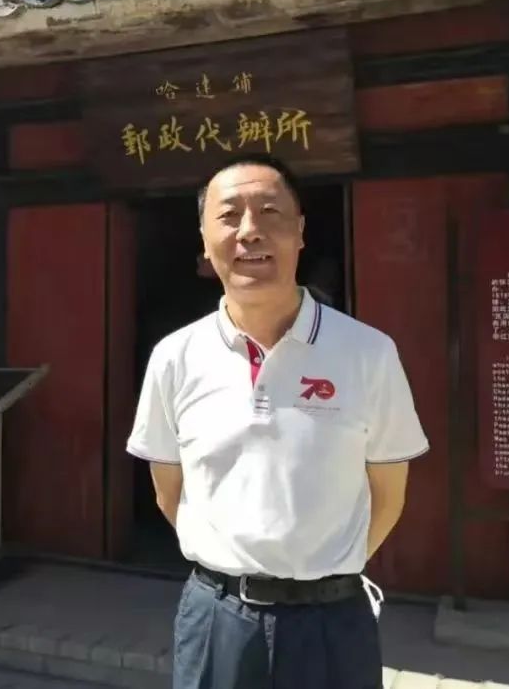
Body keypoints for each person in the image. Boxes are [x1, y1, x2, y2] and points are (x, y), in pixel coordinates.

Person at [126, 154, 428, 689]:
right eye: (229, 216)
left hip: (332, 622)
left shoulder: (368, 352)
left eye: (269, 212)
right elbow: (170, 493)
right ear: (204, 239)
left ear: (300, 232)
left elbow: (389, 492)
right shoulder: (174, 357)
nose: (249, 231)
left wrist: (320, 571)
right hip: (216, 619)